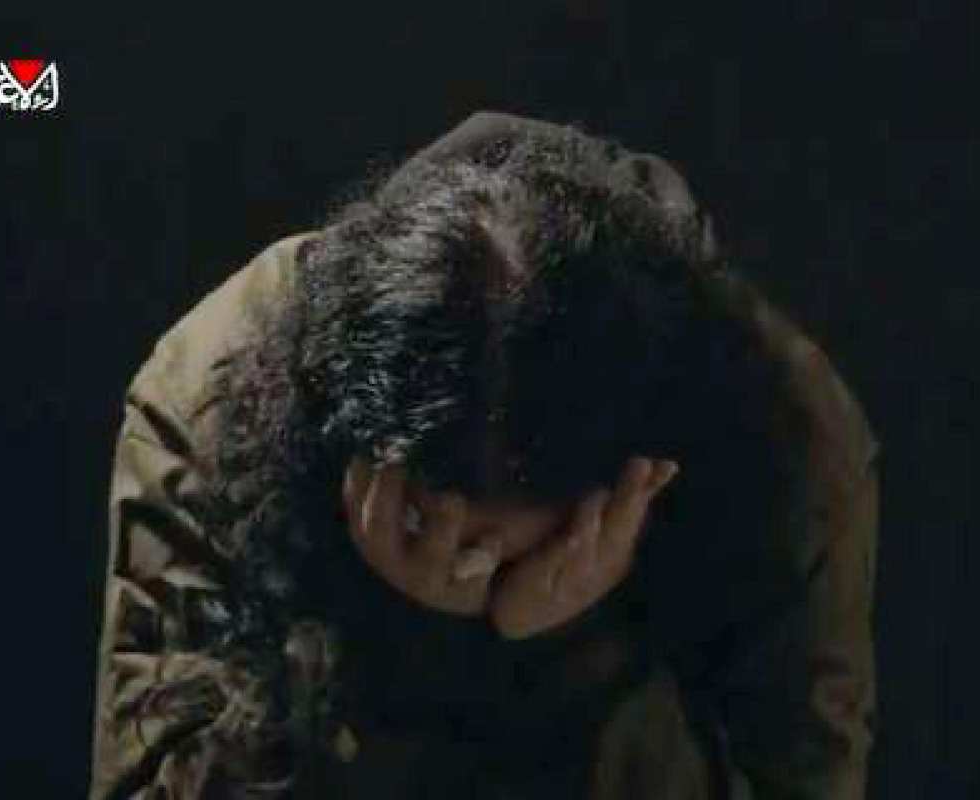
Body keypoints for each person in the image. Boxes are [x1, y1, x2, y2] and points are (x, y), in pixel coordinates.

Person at [87, 111, 881, 799]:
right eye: (429, 530)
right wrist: (402, 641)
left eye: (510, 561)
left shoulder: (790, 438)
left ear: (638, 485)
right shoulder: (212, 393)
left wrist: (573, 658)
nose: (463, 569)